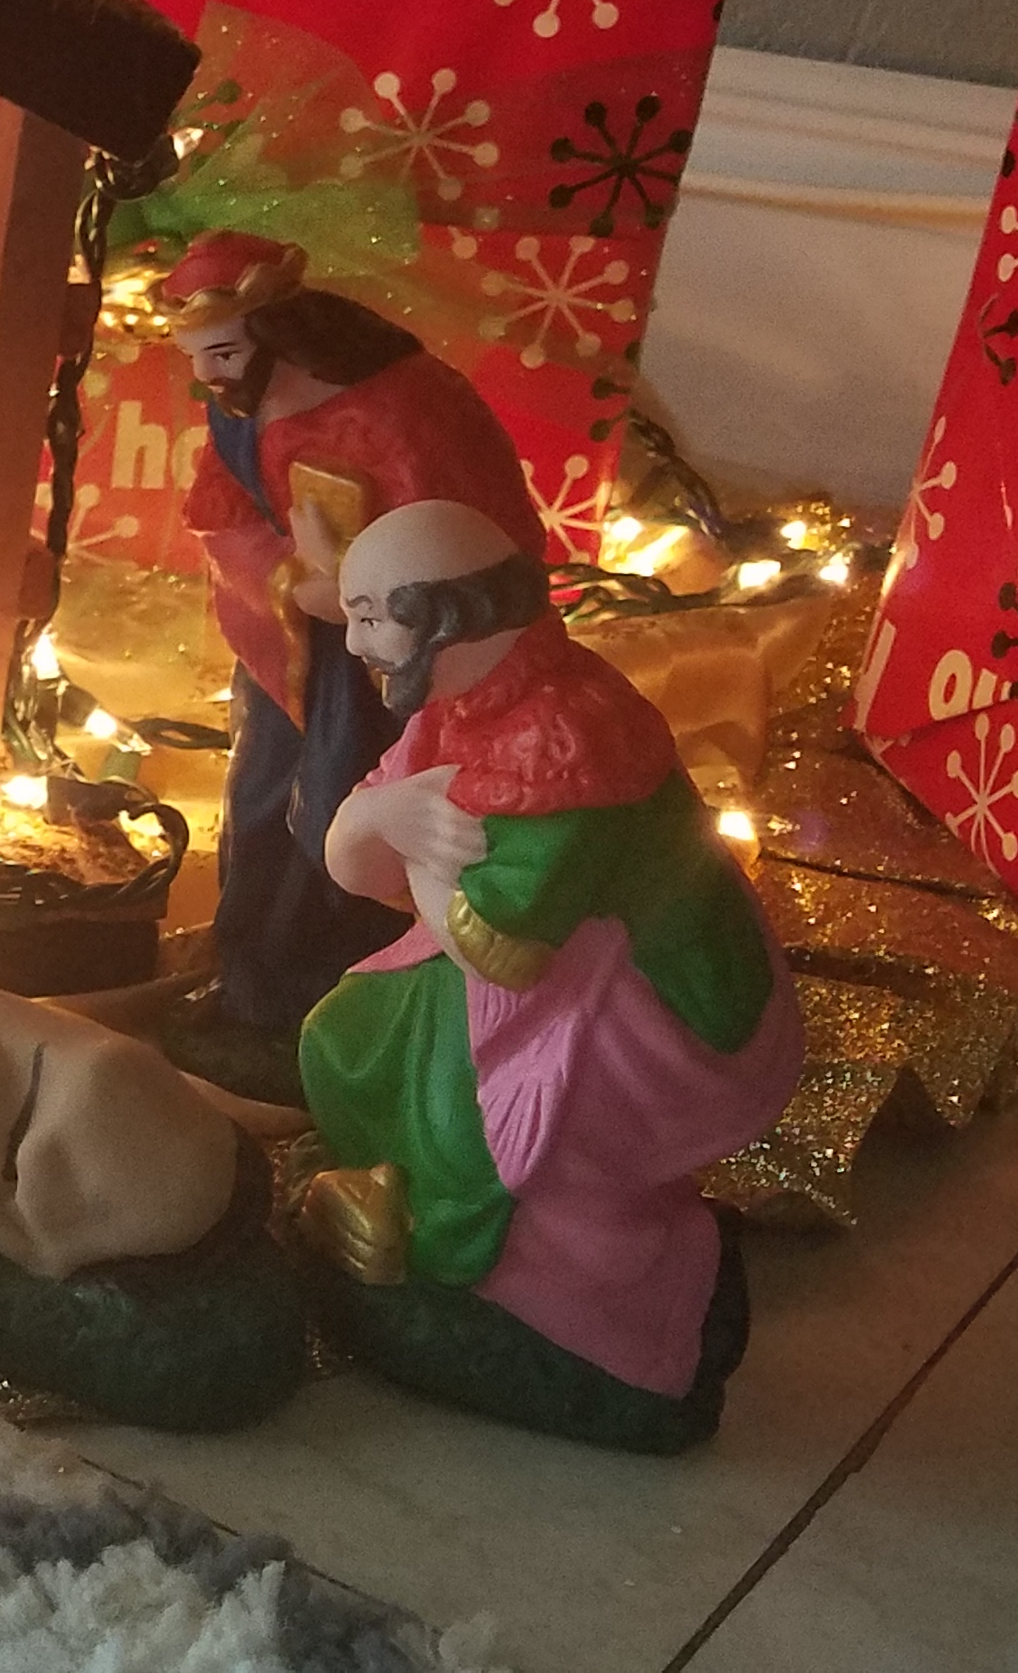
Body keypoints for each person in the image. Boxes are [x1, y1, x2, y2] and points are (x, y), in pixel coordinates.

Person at [302, 500, 802, 1441]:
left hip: (657, 1008)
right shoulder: (463, 701)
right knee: (348, 1032)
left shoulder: (569, 736)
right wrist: (382, 819)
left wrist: (406, 842)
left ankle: (575, 1309)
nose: (356, 641)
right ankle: (413, 1206)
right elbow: (355, 864)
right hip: (550, 973)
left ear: (448, 616)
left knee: (481, 1116)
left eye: (372, 615)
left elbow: (499, 947)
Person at [161, 230, 544, 1050]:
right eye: (196, 357)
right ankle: (257, 987)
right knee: (263, 805)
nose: (209, 377)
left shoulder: (407, 411)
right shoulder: (239, 412)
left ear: (278, 331)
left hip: (399, 675)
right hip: (294, 656)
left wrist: (368, 598)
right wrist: (291, 584)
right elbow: (219, 513)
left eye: (223, 353)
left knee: (357, 818)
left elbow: (471, 544)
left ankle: (350, 1003)